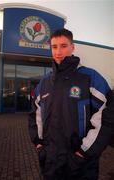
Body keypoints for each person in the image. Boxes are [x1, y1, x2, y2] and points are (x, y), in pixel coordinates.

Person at [28, 28, 114, 180]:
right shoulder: (44, 83)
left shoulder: (90, 78)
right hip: (50, 163)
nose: (58, 51)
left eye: (63, 46)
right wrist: (39, 144)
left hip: (80, 165)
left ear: (72, 47)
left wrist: (84, 152)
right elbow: (35, 114)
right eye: (54, 47)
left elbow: (107, 117)